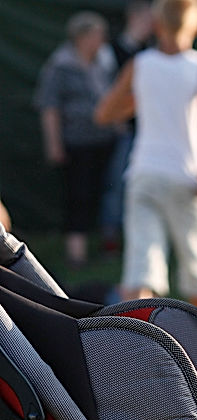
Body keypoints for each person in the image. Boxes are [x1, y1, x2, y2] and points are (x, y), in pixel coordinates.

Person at [94, 0, 197, 310]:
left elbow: (104, 113)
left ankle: (135, 347)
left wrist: (139, 100)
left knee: (141, 270)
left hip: (145, 173)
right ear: (196, 25)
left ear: (156, 24)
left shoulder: (139, 65)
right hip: (189, 175)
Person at [34, 11, 119, 267]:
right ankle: (76, 256)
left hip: (105, 141)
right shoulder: (60, 64)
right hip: (76, 143)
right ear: (83, 37)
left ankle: (107, 247)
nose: (102, 39)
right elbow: (49, 107)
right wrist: (54, 144)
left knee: (105, 193)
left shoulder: (104, 62)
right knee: (78, 195)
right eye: (97, 34)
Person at [99, 1, 155, 253]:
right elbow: (103, 103)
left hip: (149, 134)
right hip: (122, 134)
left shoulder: (150, 54)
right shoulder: (112, 52)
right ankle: (112, 238)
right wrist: (119, 118)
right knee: (117, 186)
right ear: (134, 17)